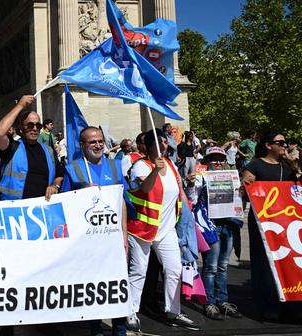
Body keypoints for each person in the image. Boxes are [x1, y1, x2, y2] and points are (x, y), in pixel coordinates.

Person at [126, 129, 199, 332]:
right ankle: (130, 312)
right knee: (139, 270)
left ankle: (173, 311)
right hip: (142, 228)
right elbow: (145, 189)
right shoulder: (140, 166)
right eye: (158, 142)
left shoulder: (171, 164)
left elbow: (179, 192)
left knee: (174, 269)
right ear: (149, 146)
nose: (163, 145)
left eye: (165, 142)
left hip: (166, 228)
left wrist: (188, 217)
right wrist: (154, 171)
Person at [61, 127, 128, 336]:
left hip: (113, 238)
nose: (98, 145)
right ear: (82, 145)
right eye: (93, 142)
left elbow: (122, 203)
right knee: (93, 287)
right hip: (88, 241)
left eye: (100, 141)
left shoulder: (115, 167)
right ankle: (95, 329)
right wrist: (81, 194)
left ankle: (120, 328)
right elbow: (65, 203)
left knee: (117, 286)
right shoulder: (74, 169)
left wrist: (124, 236)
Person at [241, 131, 299, 321]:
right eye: (280, 142)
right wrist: (245, 185)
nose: (284, 145)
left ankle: (290, 303)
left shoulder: (287, 168)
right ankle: (267, 304)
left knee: (286, 260)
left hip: (284, 222)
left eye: (285, 143)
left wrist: (295, 165)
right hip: (263, 223)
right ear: (268, 145)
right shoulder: (255, 165)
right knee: (264, 262)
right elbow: (245, 189)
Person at [184, 146, 243, 320]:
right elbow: (192, 199)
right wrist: (191, 184)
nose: (217, 163)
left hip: (228, 223)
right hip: (210, 225)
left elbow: (239, 200)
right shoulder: (202, 178)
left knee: (223, 266)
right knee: (210, 267)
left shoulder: (233, 177)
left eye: (220, 159)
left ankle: (222, 301)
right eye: (213, 159)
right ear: (207, 162)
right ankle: (209, 303)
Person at [0, 95, 64, 200]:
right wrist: (20, 105)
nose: (35, 129)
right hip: (14, 209)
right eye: (30, 125)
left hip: (42, 208)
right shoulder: (12, 147)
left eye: (38, 126)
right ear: (21, 129)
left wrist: (55, 185)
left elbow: (59, 175)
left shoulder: (49, 151)